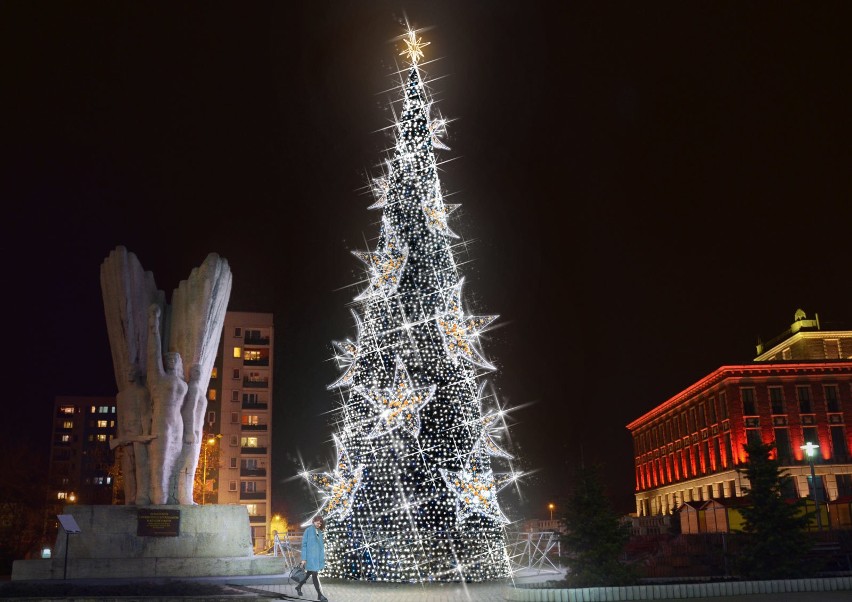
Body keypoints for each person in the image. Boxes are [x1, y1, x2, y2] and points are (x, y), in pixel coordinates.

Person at [147, 304, 188, 505]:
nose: (172, 361)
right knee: (160, 458)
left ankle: (172, 494)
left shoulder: (183, 384)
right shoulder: (160, 378)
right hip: (162, 419)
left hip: (177, 421)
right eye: (169, 359)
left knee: (175, 459)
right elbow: (153, 356)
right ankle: (158, 495)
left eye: (175, 359)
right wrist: (153, 326)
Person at [298, 515, 328, 601]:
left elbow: (320, 546)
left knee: (308, 574)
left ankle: (298, 586)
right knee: (315, 574)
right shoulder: (308, 531)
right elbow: (304, 545)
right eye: (317, 523)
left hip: (317, 558)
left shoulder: (320, 531)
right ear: (313, 521)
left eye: (320, 523)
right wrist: (304, 559)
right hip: (310, 558)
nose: (319, 525)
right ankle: (319, 595)